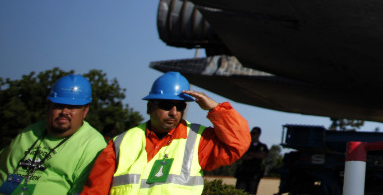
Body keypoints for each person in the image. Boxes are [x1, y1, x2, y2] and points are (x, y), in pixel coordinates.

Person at [81, 71, 250, 195]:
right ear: (150, 107)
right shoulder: (120, 143)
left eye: (181, 106)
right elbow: (95, 191)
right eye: (167, 104)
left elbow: (238, 143)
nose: (174, 112)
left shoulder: (198, 139)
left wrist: (216, 108)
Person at [0, 74, 108, 195]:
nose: (65, 112)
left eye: (73, 107)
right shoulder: (28, 134)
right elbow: (4, 176)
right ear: (49, 107)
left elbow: (83, 191)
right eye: (59, 105)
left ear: (85, 111)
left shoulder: (93, 145)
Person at [234, 127, 268, 194]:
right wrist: (256, 154)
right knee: (239, 191)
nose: (252, 135)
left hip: (255, 173)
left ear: (258, 134)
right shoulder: (246, 145)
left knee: (252, 192)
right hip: (243, 173)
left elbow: (262, 156)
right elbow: (243, 156)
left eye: (254, 133)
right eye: (251, 133)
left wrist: (250, 153)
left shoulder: (263, 146)